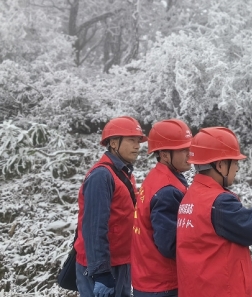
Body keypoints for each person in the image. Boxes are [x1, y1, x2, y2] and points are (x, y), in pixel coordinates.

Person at [176, 127, 252, 297]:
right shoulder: (220, 202)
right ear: (221, 165)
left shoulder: (193, 194)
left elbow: (237, 221)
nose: (237, 168)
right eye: (235, 162)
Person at [75, 116, 147, 297]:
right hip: (102, 268)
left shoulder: (123, 172)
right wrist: (101, 272)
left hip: (121, 263)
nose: (137, 146)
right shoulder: (102, 175)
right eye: (132, 140)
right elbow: (94, 227)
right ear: (114, 143)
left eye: (138, 141)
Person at [131, 119, 192, 297]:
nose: (190, 154)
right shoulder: (167, 190)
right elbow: (169, 245)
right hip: (162, 284)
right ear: (165, 155)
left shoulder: (158, 177)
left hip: (149, 278)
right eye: (183, 150)